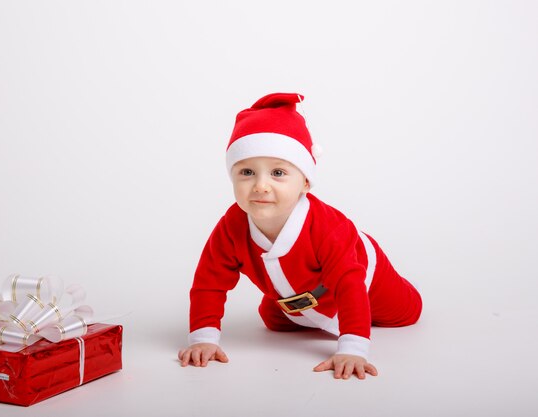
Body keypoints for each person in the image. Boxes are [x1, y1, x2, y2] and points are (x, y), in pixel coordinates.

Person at [178, 93, 422, 380]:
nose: (260, 185)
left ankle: (359, 314)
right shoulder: (231, 226)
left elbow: (348, 284)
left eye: (278, 172)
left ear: (305, 181)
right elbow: (209, 282)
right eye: (246, 172)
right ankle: (312, 316)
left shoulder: (328, 228)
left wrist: (353, 347)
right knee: (273, 320)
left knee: (406, 311)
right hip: (298, 294)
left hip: (364, 277)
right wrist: (203, 338)